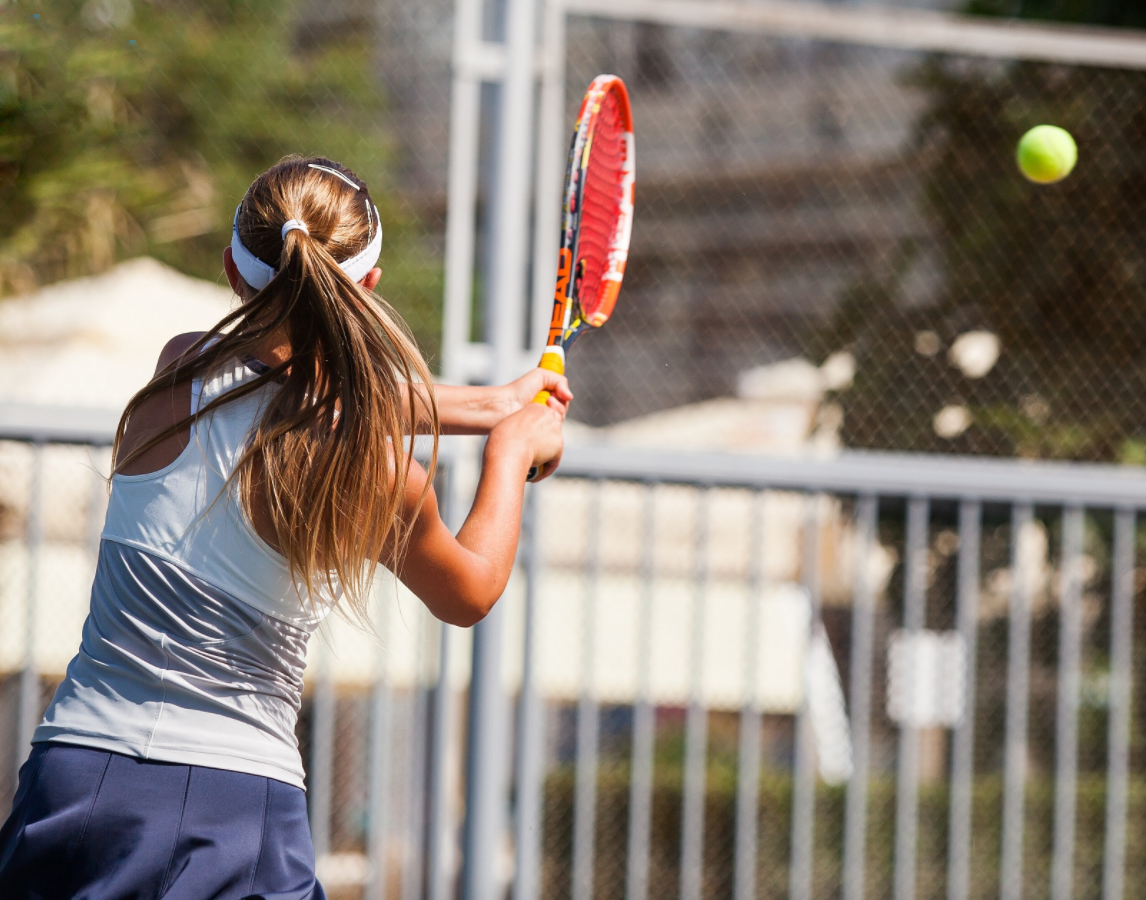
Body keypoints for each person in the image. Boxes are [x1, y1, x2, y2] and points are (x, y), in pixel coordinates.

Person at [0, 156, 571, 900]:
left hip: (73, 775)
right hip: (232, 803)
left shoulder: (178, 372)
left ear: (235, 275)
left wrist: (494, 403)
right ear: (366, 289)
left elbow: (293, 390)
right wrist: (509, 451)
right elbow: (469, 591)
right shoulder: (373, 471)